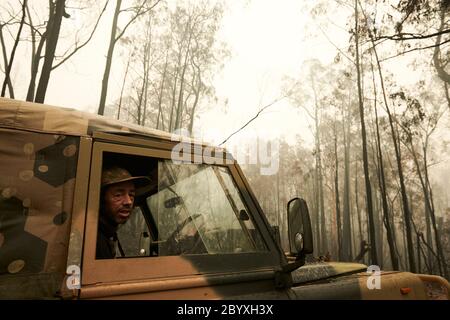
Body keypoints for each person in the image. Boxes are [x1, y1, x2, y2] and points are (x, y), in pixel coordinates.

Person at [96, 166, 151, 259]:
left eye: (131, 194)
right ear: (101, 199)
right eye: (118, 195)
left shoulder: (108, 234)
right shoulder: (93, 240)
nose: (128, 201)